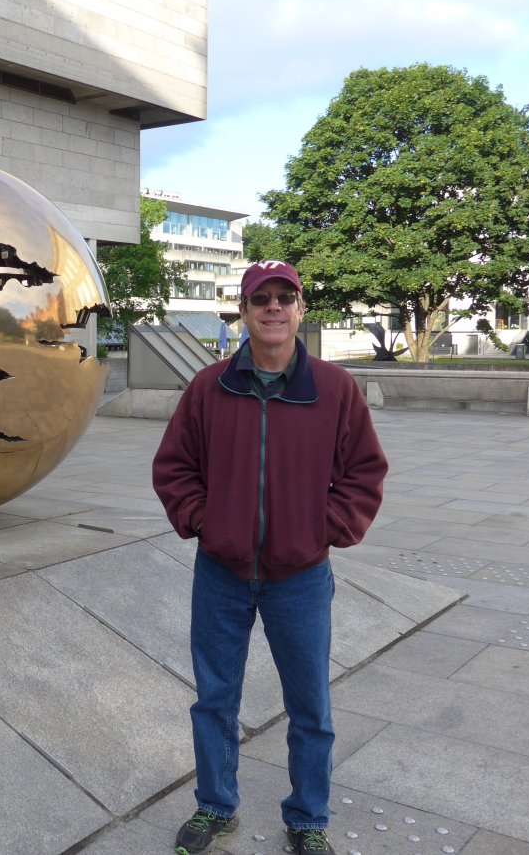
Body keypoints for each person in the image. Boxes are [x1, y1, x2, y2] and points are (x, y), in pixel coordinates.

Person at [152, 260, 387, 855]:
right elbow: (175, 466)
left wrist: (322, 529)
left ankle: (308, 818)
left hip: (300, 577)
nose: (274, 308)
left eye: (286, 298)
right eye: (262, 299)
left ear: (301, 310)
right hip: (222, 573)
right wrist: (204, 520)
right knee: (214, 698)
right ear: (244, 311)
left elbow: (364, 473)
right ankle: (215, 805)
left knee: (310, 704)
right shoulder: (210, 387)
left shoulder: (334, 389)